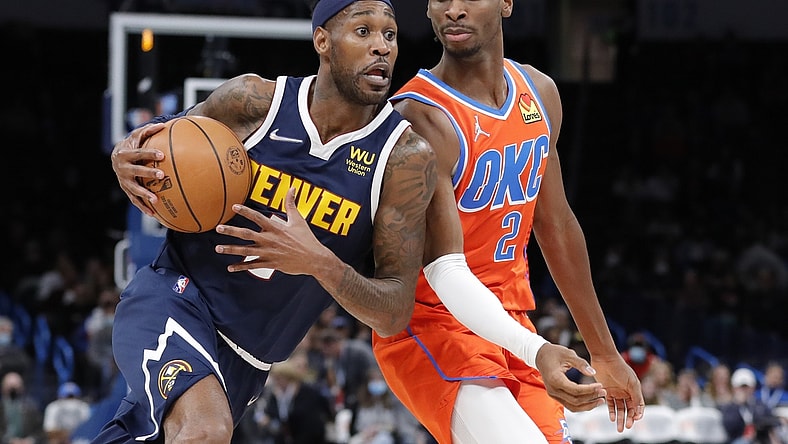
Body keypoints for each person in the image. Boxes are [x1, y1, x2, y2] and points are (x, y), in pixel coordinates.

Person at [101, 0, 612, 442]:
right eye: (363, 32)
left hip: (252, 357)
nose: (381, 47)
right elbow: (161, 141)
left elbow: (392, 311)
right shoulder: (254, 102)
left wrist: (320, 263)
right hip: (176, 297)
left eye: (389, 35)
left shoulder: (402, 157)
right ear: (322, 41)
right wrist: (128, 154)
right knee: (205, 430)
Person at [371, 1, 645, 443]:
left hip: (511, 323)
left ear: (506, 3)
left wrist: (605, 352)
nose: (454, 10)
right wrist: (536, 351)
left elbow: (555, 226)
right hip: (432, 323)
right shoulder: (419, 118)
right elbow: (443, 271)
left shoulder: (539, 92)